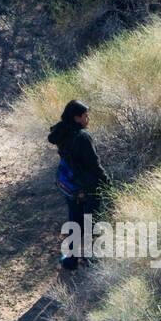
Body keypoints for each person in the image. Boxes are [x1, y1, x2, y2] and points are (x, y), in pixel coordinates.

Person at [48, 99, 109, 271]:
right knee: (90, 223)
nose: (87, 119)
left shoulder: (60, 131)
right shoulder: (82, 136)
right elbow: (94, 164)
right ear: (77, 118)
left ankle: (71, 260)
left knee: (74, 223)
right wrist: (106, 182)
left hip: (71, 185)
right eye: (85, 116)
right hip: (88, 186)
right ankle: (89, 259)